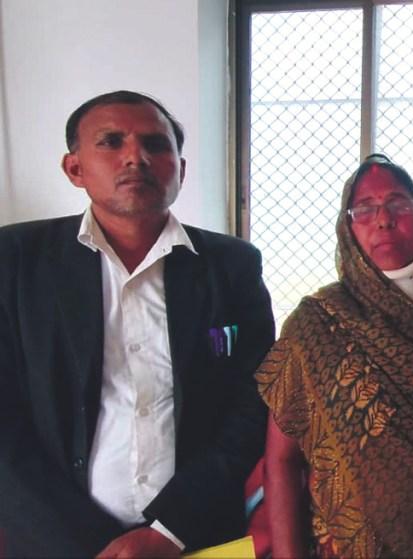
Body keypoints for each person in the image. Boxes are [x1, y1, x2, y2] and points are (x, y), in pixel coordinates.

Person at [0, 90, 275, 556]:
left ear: (180, 170)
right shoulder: (17, 261)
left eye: (155, 144)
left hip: (197, 536)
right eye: (111, 142)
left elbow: (254, 401)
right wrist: (88, 543)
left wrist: (168, 531)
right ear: (74, 168)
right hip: (56, 541)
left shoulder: (231, 266)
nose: (136, 157)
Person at [256, 154, 413, 557]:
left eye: (398, 203)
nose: (384, 219)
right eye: (365, 209)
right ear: (348, 229)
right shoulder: (315, 324)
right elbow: (280, 461)